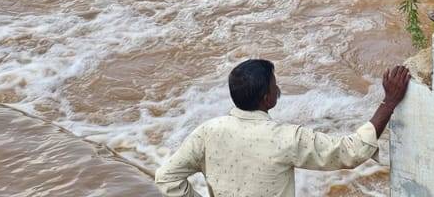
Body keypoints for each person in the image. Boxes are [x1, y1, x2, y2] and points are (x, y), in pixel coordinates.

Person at [153, 59, 410, 197]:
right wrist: (388, 102)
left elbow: (166, 178)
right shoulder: (286, 138)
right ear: (267, 98)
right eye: (275, 84)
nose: (278, 88)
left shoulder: (207, 132)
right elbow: (350, 152)